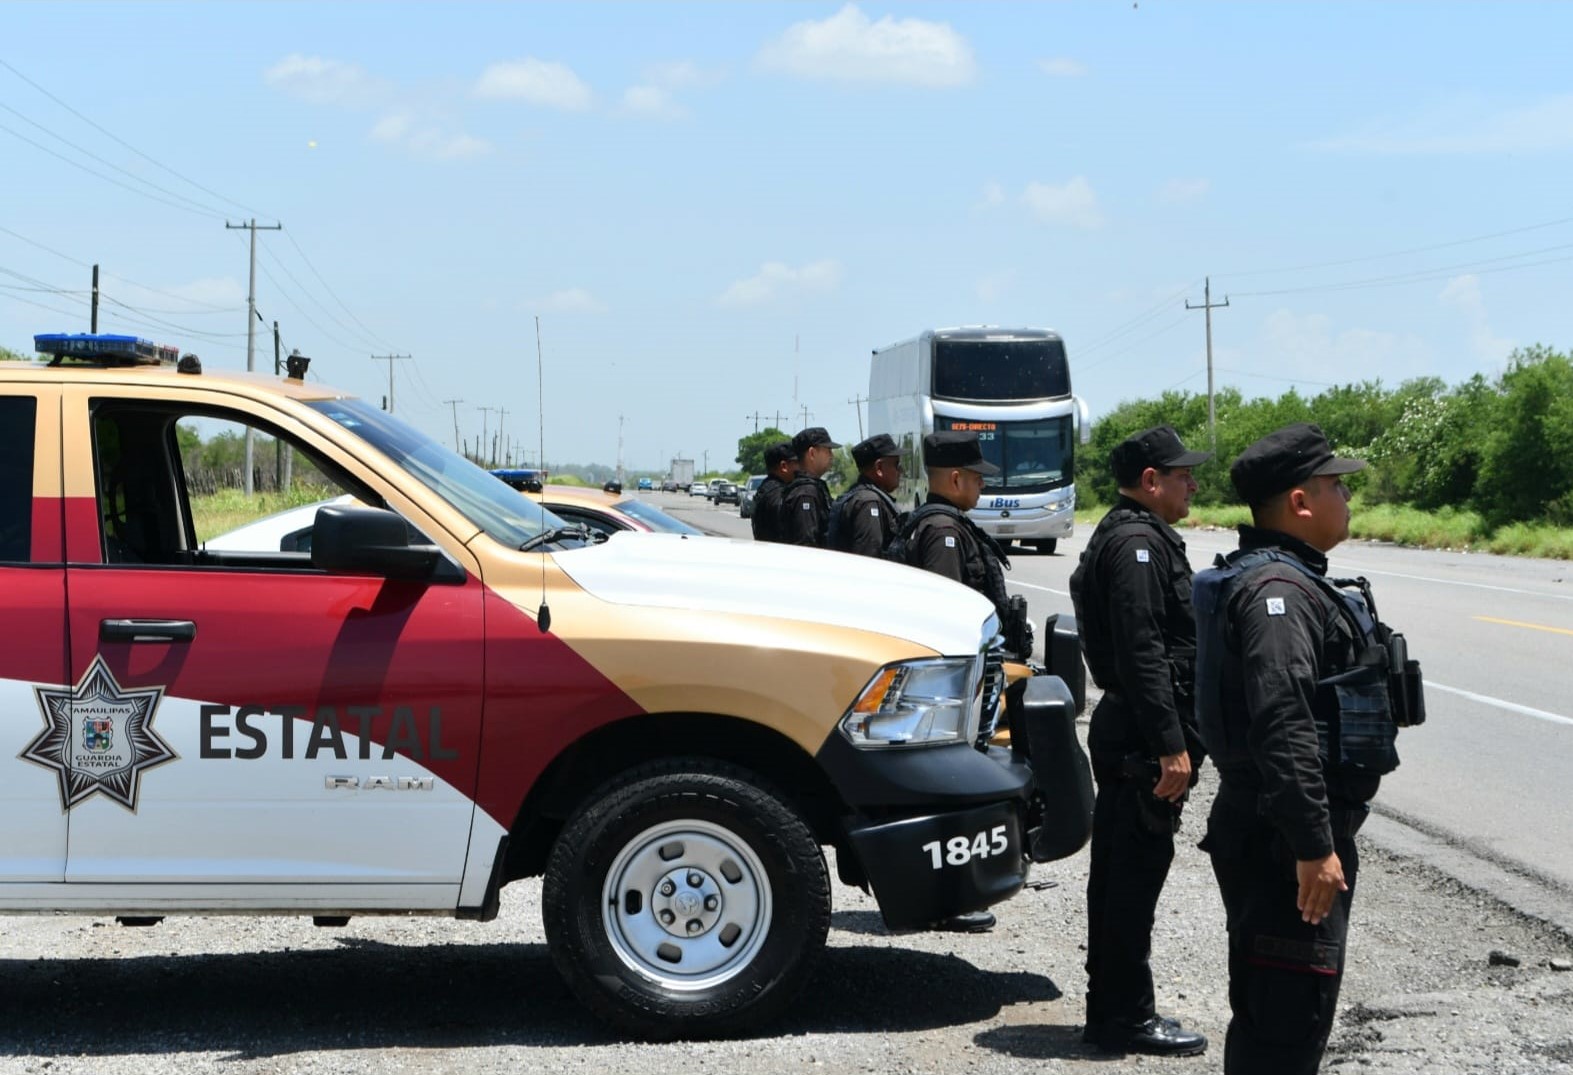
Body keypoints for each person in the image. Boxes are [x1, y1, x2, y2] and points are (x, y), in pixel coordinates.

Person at [1194, 423, 1408, 1074]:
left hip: (1274, 828)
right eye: (1336, 485)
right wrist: (1312, 846)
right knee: (1284, 1024)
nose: (1347, 497)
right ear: (1300, 501)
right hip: (1279, 837)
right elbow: (1281, 720)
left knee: (1281, 1012)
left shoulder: (1285, 580)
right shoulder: (1278, 593)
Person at [1069, 425, 1212, 1058]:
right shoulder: (1135, 546)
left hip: (1136, 731)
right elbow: (1143, 650)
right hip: (1140, 737)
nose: (1193, 484)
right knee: (1129, 883)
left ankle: (1118, 1012)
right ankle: (1123, 1020)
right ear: (1150, 481)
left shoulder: (1135, 536)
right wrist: (1170, 743)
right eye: (1182, 475)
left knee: (1129, 878)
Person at [899, 429, 1016, 933]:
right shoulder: (943, 531)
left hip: (956, 688)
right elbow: (948, 617)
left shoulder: (945, 523)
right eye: (975, 478)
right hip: (953, 690)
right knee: (953, 791)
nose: (982, 487)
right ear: (953, 478)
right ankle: (949, 897)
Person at [827, 433, 903, 556]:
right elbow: (868, 560)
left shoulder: (861, 496)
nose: (901, 471)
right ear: (879, 468)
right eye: (896, 464)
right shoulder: (868, 503)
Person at [779, 427, 840, 548]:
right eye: (828, 450)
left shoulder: (810, 488)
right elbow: (806, 544)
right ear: (812, 453)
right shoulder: (805, 494)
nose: (831, 455)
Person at [750, 442, 798, 544]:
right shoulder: (777, 494)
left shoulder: (766, 488)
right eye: (797, 462)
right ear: (784, 466)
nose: (800, 467)